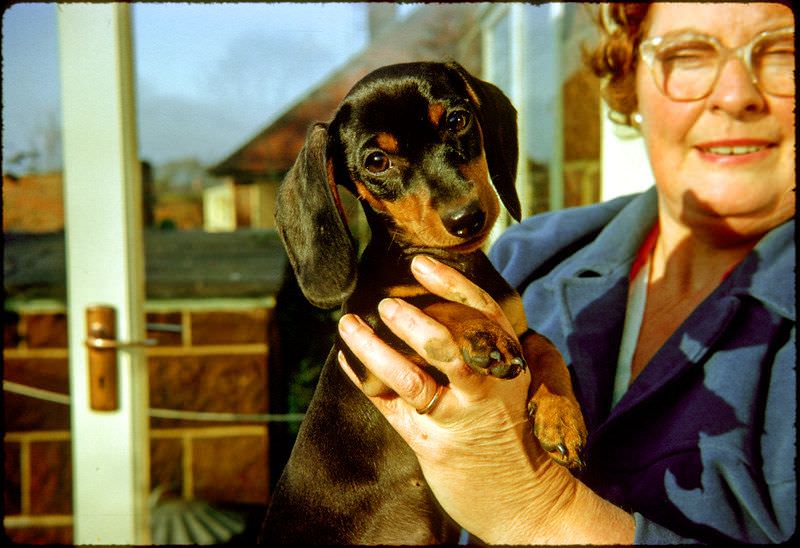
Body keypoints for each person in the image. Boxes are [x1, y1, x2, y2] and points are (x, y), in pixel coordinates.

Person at [336, 2, 795, 544]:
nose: (735, 94)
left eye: (784, 53)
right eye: (688, 54)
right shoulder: (532, 254)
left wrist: (540, 509)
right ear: (630, 76)